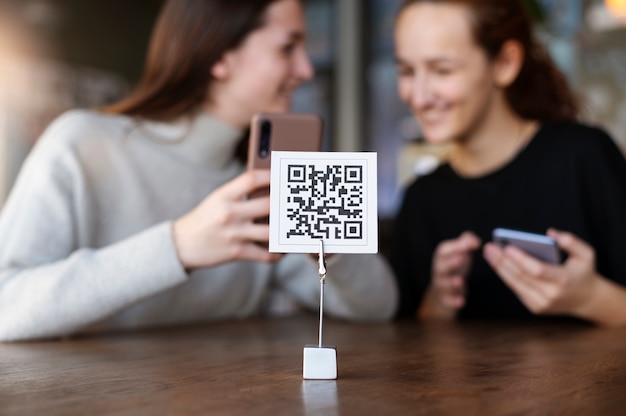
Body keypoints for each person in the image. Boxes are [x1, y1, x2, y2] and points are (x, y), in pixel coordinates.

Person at [0, 0, 398, 342]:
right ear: (221, 56)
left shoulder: (262, 180)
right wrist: (177, 246)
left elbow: (379, 306)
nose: (306, 69)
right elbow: (7, 304)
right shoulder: (82, 143)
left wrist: (326, 240)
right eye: (288, 47)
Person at [390, 0, 626, 326]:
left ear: (504, 62)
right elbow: (405, 349)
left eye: (442, 70)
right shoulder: (421, 199)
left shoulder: (583, 157)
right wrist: (439, 303)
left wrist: (590, 298)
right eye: (406, 71)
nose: (418, 96)